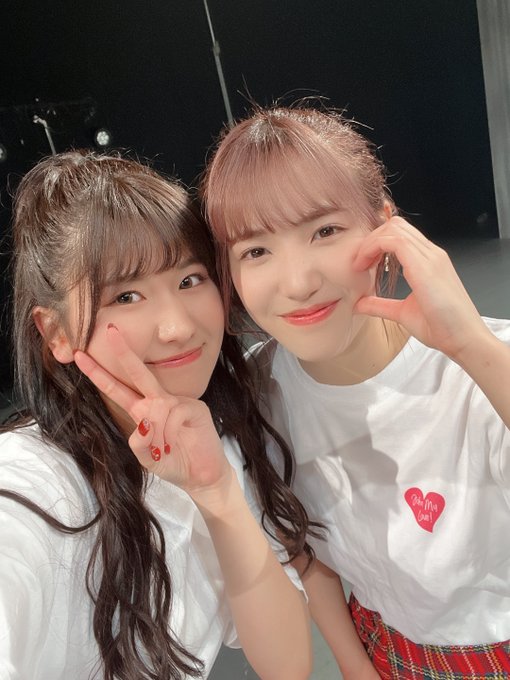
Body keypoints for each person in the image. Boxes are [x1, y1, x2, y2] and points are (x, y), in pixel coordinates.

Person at [202, 104, 510, 679]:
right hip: (383, 648)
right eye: (256, 250)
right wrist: (356, 667)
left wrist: (471, 346)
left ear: (386, 227)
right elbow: (301, 542)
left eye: (325, 231)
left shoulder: (483, 366)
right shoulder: (259, 391)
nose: (298, 283)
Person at [0, 150, 316, 680]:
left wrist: (217, 494)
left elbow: (288, 664)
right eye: (126, 296)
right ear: (55, 332)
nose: (178, 327)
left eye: (190, 279)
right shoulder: (32, 486)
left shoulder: (215, 441)